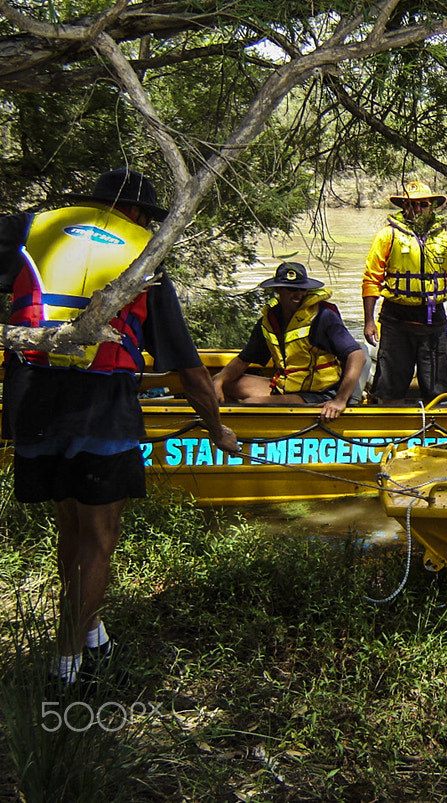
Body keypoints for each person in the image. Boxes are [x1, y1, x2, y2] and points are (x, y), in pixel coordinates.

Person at [0, 167, 239, 687]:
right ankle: (67, 668)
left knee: (72, 525)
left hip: (30, 401)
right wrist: (218, 429)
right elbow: (189, 369)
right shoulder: (142, 253)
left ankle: (92, 637)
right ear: (137, 214)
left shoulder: (30, 228)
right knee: (100, 537)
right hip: (99, 403)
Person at [212, 262, 368, 421]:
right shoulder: (270, 321)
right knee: (221, 384)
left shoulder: (323, 317)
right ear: (277, 289)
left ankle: (247, 433)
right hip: (286, 387)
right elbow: (244, 360)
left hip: (319, 394)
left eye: (302, 289)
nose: (298, 295)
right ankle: (227, 428)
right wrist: (219, 379)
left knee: (251, 404)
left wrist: (339, 401)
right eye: (292, 289)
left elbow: (357, 356)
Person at [362, 181, 447, 404]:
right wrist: (369, 321)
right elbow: (372, 278)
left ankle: (437, 428)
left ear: (431, 207)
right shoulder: (387, 235)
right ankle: (385, 426)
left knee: (437, 386)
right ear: (403, 206)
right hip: (396, 319)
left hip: (433, 319)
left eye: (423, 205)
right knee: (389, 387)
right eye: (412, 205)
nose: (417, 210)